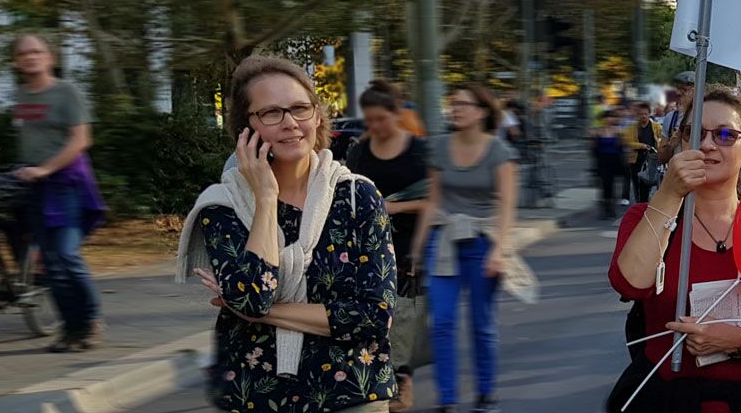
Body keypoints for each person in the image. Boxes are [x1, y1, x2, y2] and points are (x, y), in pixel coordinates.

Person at [177, 56, 395, 413]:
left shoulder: (358, 197)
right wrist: (265, 198)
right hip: (254, 394)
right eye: (271, 113)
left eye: (299, 108)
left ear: (317, 115)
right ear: (245, 127)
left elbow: (373, 318)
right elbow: (253, 299)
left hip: (351, 392)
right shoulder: (222, 206)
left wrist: (255, 311)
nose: (291, 123)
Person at [606, 88, 741, 412]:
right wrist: (670, 193)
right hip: (667, 400)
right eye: (694, 132)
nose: (707, 145)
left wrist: (739, 342)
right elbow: (629, 283)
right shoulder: (645, 216)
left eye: (725, 135)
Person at [411, 84, 519, 413]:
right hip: (443, 243)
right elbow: (433, 201)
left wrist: (498, 250)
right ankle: (447, 399)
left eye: (463, 104)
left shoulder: (498, 151)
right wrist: (417, 249)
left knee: (481, 323)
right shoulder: (439, 147)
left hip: (483, 243)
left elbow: (506, 205)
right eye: (452, 103)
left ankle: (486, 393)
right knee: (441, 322)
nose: (455, 109)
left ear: (482, 111)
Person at [10, 34, 106, 353]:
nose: (31, 57)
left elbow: (80, 141)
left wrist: (45, 169)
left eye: (37, 51)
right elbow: (29, 140)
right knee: (49, 263)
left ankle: (90, 321)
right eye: (24, 53)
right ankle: (70, 327)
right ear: (16, 60)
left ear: (50, 57)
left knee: (67, 254)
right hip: (34, 186)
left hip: (67, 184)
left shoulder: (66, 92)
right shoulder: (20, 95)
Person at [346, 80, 434, 410]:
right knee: (372, 314)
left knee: (403, 318)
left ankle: (402, 382)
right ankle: (376, 377)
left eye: (380, 119)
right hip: (369, 244)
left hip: (409, 242)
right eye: (369, 120)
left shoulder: (418, 151)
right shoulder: (359, 151)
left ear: (396, 114)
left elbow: (433, 201)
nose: (374, 127)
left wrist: (395, 209)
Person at [622, 101, 665, 204]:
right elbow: (627, 142)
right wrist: (641, 146)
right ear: (637, 115)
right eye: (641, 114)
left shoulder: (656, 126)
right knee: (637, 184)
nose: (643, 116)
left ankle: (645, 203)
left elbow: (662, 139)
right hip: (636, 159)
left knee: (648, 182)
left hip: (651, 159)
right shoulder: (632, 128)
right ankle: (640, 204)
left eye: (645, 113)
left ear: (649, 114)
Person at [594, 109, 629, 219]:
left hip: (615, 160)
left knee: (613, 185)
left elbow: (622, 148)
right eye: (606, 117)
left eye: (611, 117)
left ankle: (612, 209)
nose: (609, 119)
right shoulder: (598, 131)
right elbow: (594, 149)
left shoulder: (617, 131)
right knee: (605, 185)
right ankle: (605, 208)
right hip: (603, 161)